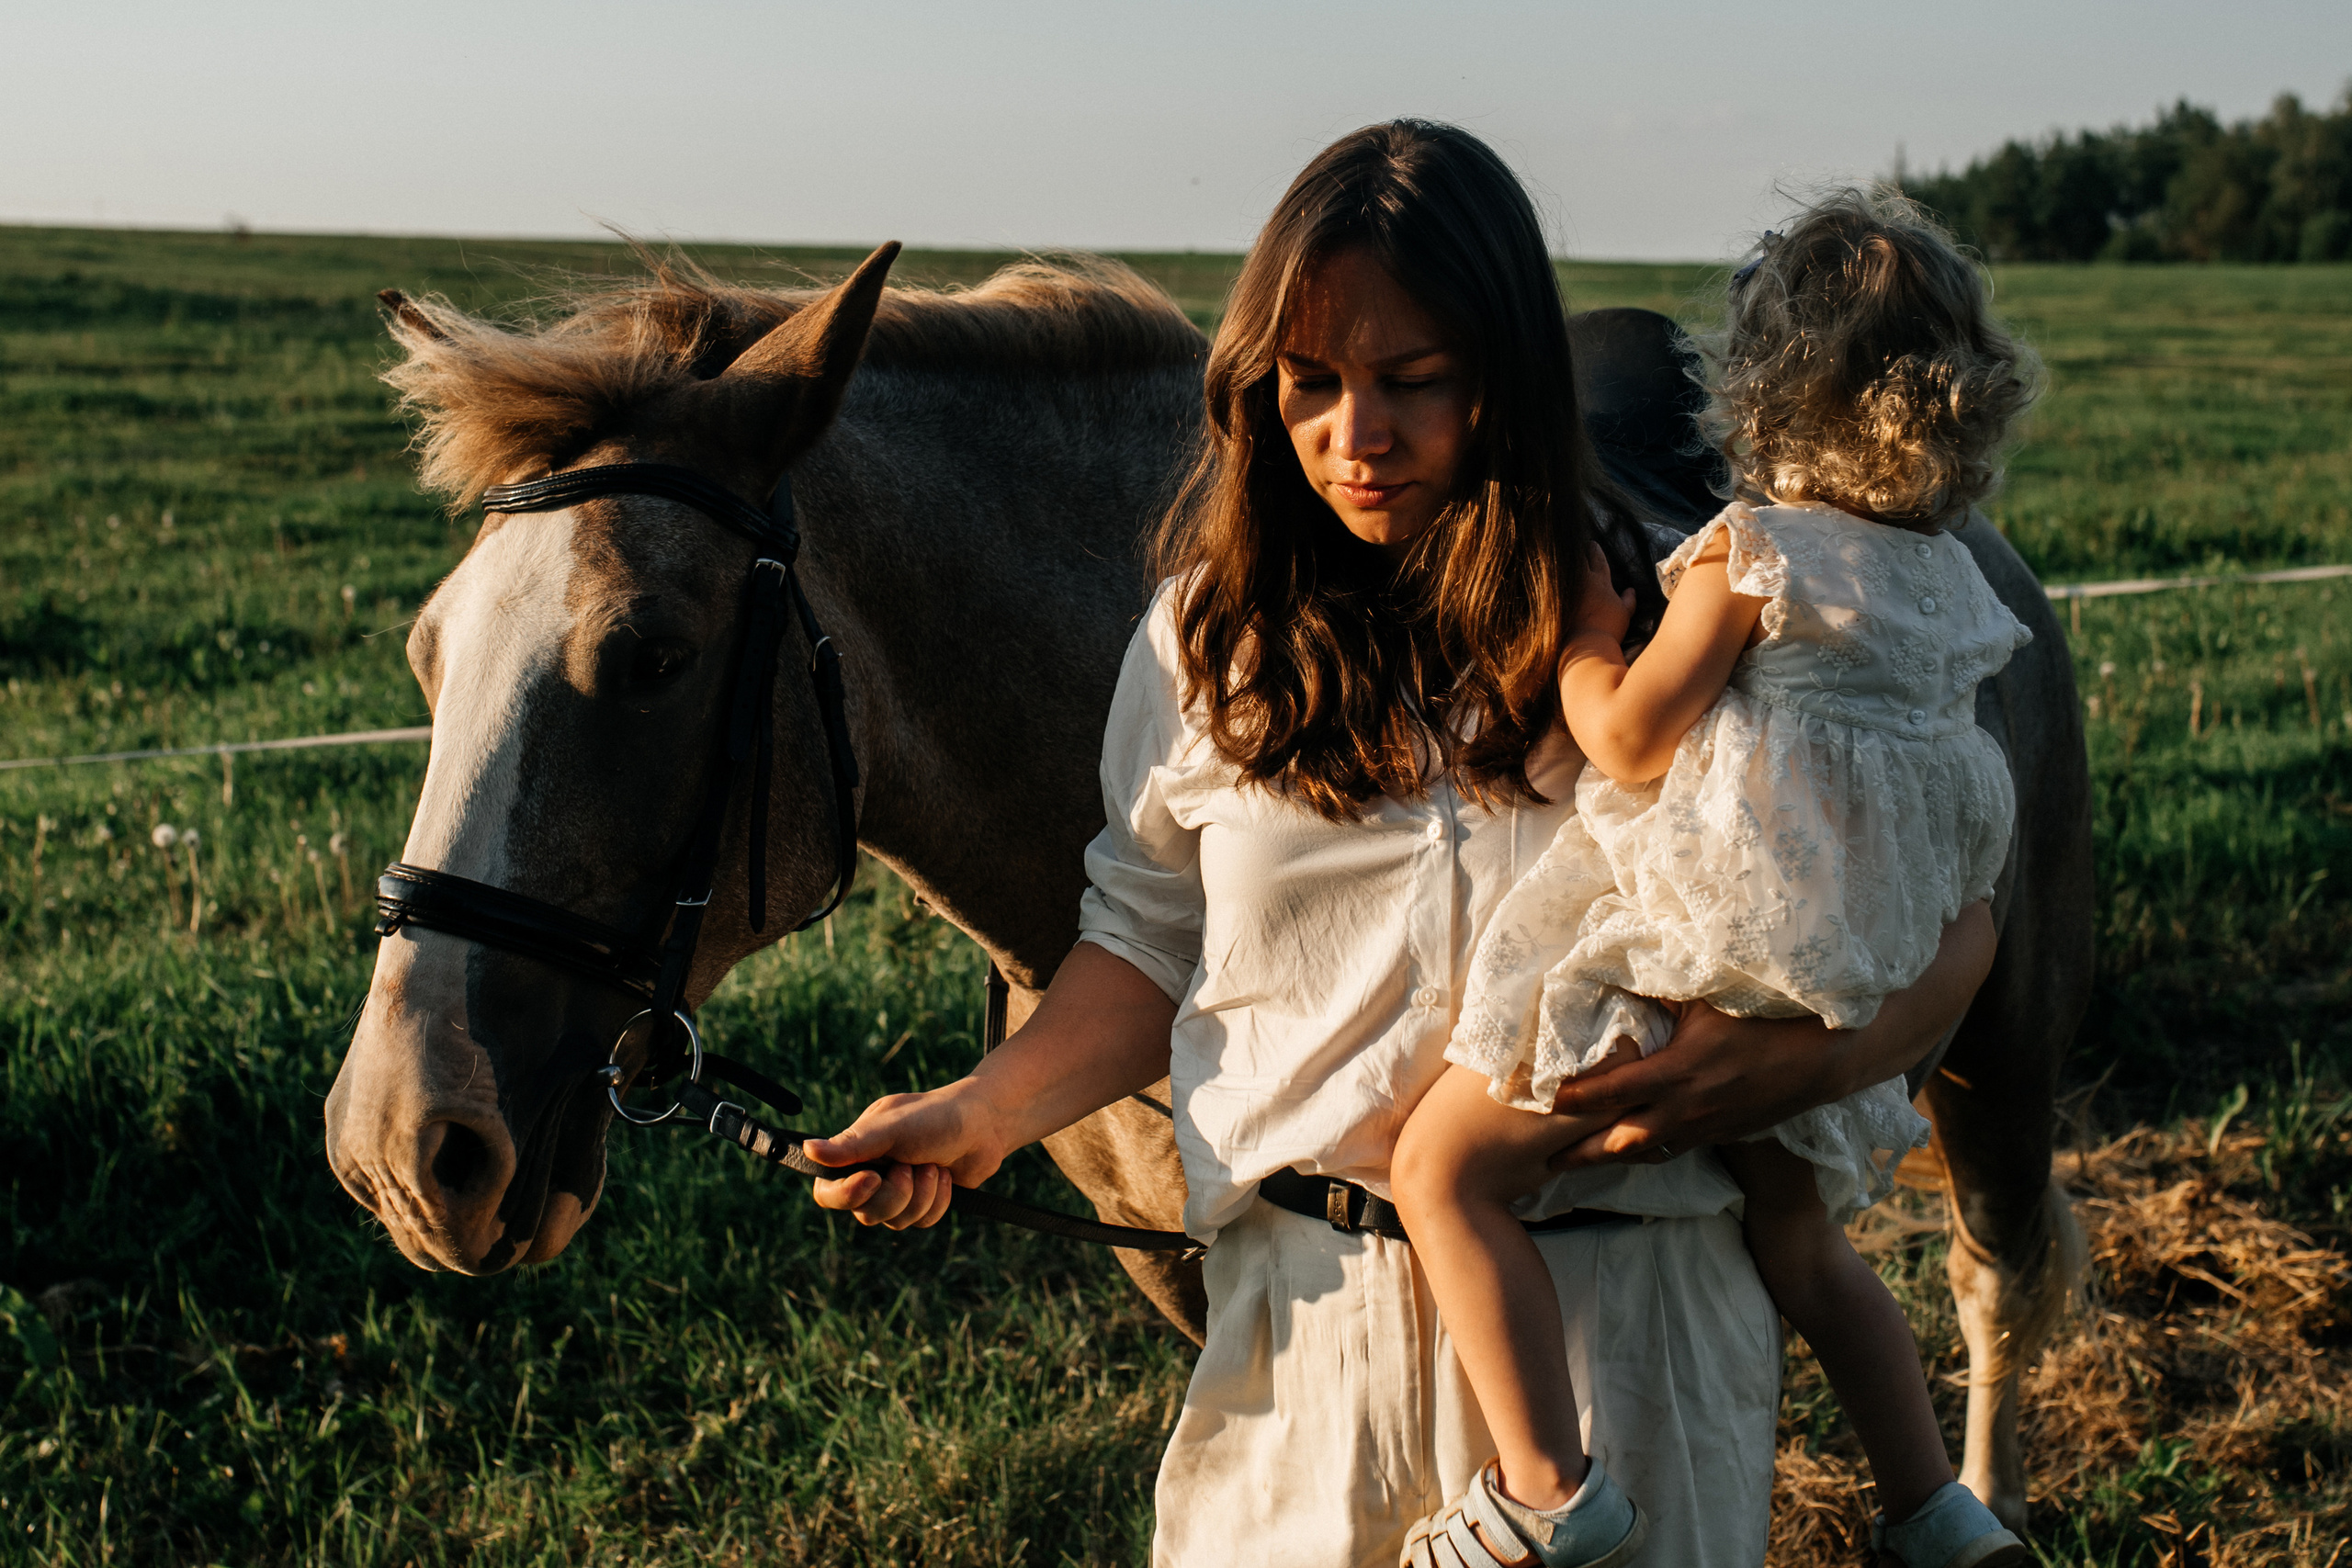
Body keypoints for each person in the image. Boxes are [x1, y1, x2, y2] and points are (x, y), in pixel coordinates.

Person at [805, 125, 1998, 1568]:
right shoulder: (1202, 642)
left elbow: (1941, 895)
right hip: (1309, 1335)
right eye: (1310, 386)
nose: (1354, 440)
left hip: (1638, 1327)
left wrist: (1821, 1060)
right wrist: (986, 1110)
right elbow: (1146, 945)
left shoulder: (1671, 611)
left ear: (1503, 378)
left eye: (1413, 383)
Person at [1390, 188, 2041, 1568]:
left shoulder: (1753, 554)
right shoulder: (1956, 590)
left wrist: (1583, 637)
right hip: (1840, 981)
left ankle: (1546, 1493)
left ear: (1762, 385)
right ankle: (1935, 1506)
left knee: (1442, 1172)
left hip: (1708, 951)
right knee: (1806, 1253)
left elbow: (1624, 739)